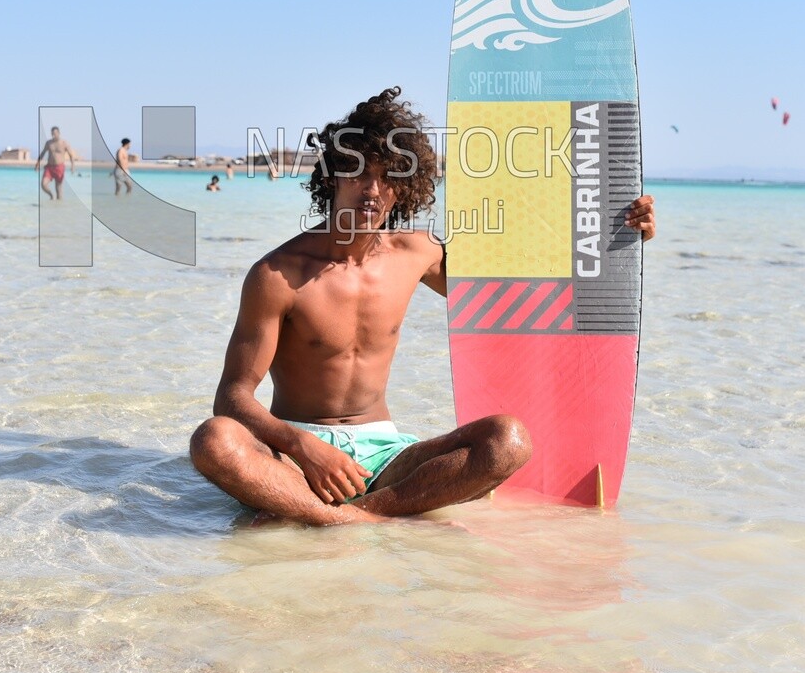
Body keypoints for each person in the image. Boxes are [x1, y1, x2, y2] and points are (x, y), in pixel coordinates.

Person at [189, 87, 656, 526]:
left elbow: (518, 290)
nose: (373, 190)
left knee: (507, 440)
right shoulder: (277, 275)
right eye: (359, 172)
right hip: (296, 457)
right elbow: (232, 395)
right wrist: (303, 445)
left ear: (404, 189)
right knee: (213, 440)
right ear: (332, 175)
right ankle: (367, 520)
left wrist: (620, 232)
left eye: (389, 177)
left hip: (386, 454)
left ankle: (342, 518)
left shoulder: (418, 253)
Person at [36, 127, 79, 201]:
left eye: (55, 134)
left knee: (58, 190)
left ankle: (59, 209)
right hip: (49, 167)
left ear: (59, 133)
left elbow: (71, 155)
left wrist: (73, 166)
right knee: (43, 184)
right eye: (52, 134)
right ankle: (51, 195)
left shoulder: (64, 143)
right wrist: (37, 164)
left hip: (59, 167)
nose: (53, 135)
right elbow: (43, 153)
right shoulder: (49, 143)